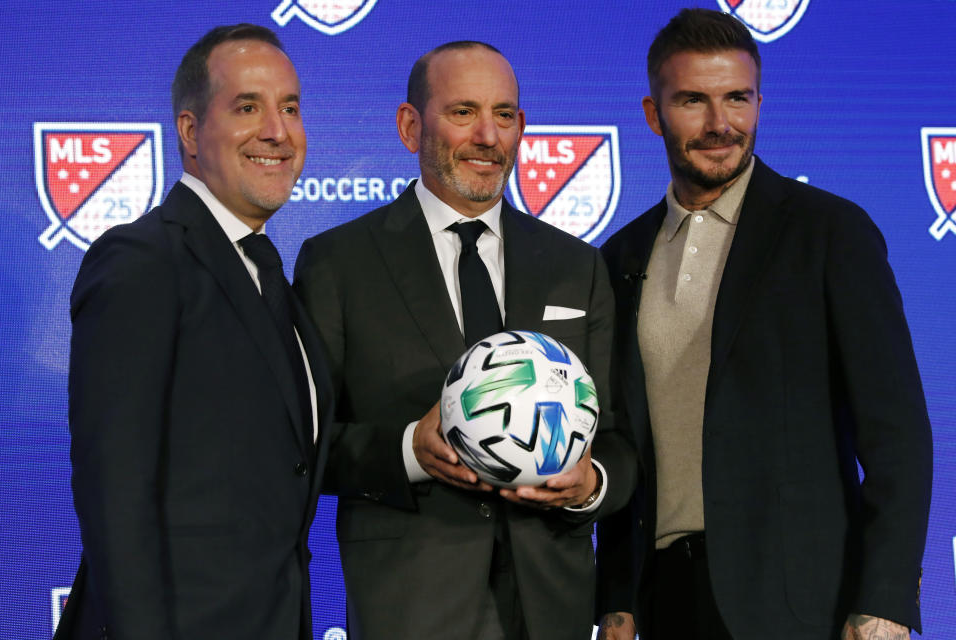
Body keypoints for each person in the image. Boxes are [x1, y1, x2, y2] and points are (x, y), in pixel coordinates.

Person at [595, 8, 932, 640]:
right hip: (667, 600)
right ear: (652, 114)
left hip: (805, 602)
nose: (721, 124)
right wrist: (617, 596)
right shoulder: (619, 258)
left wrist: (885, 597)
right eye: (693, 100)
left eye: (738, 99)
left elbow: (897, 431)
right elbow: (622, 440)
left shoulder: (828, 232)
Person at [294, 41, 637, 639]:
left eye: (504, 115)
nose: (488, 135)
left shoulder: (575, 265)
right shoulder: (337, 264)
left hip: (551, 604)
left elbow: (619, 440)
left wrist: (589, 485)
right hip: (411, 605)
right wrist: (409, 451)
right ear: (410, 126)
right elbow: (302, 445)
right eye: (462, 112)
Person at [54, 24, 333, 640]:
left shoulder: (269, 277)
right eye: (247, 107)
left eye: (290, 107)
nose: (277, 131)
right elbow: (115, 494)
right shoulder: (143, 260)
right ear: (189, 132)